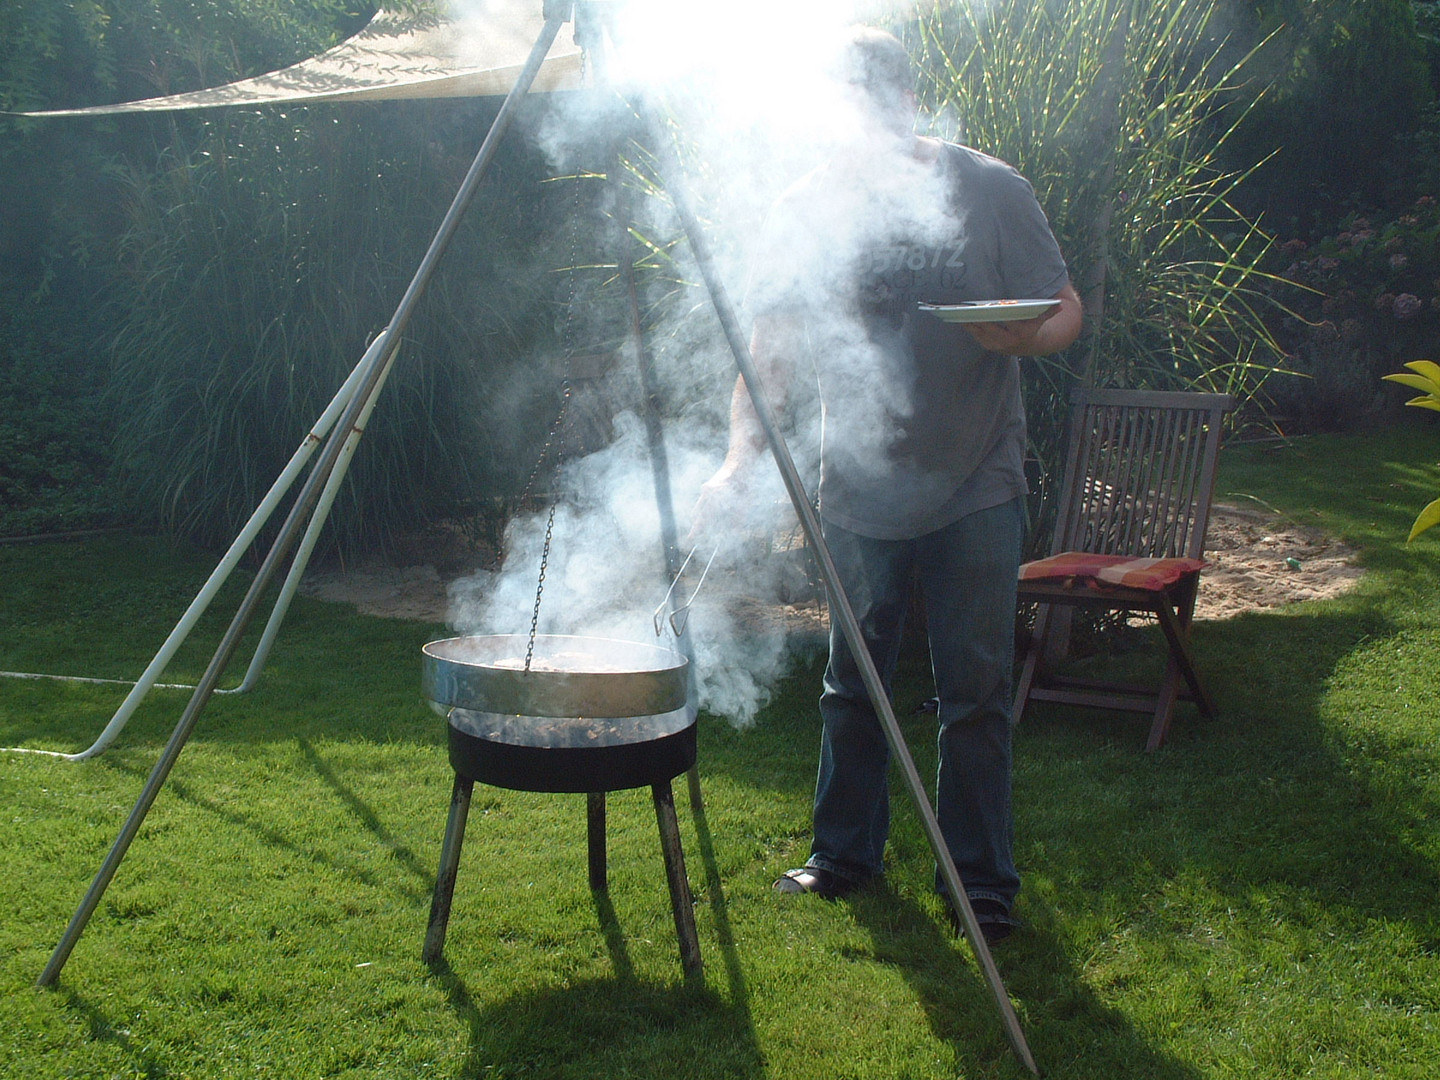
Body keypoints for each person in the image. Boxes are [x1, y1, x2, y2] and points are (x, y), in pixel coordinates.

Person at [692, 26, 1083, 943]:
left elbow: (1064, 308)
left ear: (908, 104)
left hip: (976, 477)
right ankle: (843, 855)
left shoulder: (989, 190)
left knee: (976, 686)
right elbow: (772, 354)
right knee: (852, 679)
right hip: (860, 488)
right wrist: (738, 456)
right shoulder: (808, 207)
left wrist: (1024, 337)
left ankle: (980, 885)